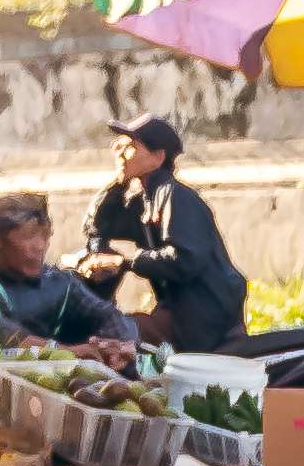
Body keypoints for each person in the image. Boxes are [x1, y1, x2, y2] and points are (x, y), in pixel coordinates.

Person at [80, 117, 247, 352]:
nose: (121, 153)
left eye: (131, 147)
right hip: (177, 311)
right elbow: (98, 227)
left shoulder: (177, 197)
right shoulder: (145, 200)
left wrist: (126, 261)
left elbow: (185, 259)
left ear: (158, 157)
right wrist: (118, 182)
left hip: (201, 315)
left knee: (112, 332)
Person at [0, 190, 121, 346]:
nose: (40, 246)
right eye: (29, 236)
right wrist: (64, 350)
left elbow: (107, 316)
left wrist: (118, 346)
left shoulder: (61, 284)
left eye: (45, 236)